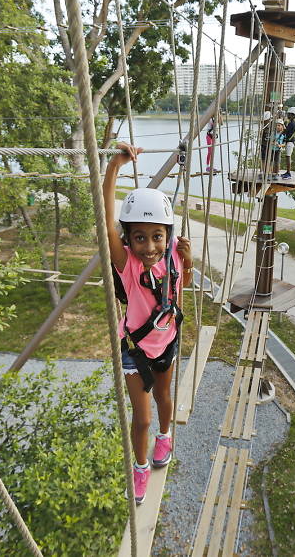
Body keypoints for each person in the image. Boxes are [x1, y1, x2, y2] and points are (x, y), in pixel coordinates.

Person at [102, 142, 193, 504]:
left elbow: (177, 293)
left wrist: (190, 260)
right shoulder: (127, 265)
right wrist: (114, 167)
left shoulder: (173, 256)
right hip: (136, 352)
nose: (149, 245)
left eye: (157, 236)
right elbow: (105, 215)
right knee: (140, 419)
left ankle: (166, 435)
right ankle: (140, 468)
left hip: (166, 343)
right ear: (128, 239)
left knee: (163, 396)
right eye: (139, 237)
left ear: (166, 236)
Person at [259, 110, 279, 181]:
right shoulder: (263, 127)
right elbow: (260, 136)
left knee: (270, 160)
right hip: (263, 145)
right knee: (263, 159)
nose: (264, 122)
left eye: (266, 120)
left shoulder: (272, 127)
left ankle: (269, 173)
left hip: (269, 146)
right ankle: (263, 172)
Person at [281, 106, 295, 180]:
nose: (288, 116)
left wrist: (285, 140)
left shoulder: (293, 123)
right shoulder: (290, 122)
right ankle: (287, 172)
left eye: (289, 114)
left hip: (290, 142)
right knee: (287, 157)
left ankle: (288, 173)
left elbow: (287, 132)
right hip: (289, 142)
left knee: (288, 157)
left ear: (293, 115)